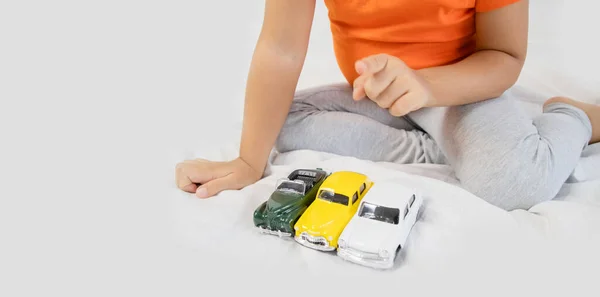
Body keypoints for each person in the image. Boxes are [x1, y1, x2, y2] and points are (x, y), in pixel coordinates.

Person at [175, 0, 600, 211]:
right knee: (278, 121)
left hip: (459, 90)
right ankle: (445, 148)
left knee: (518, 181)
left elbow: (504, 56)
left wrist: (427, 86)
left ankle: (572, 116)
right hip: (375, 95)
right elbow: (281, 50)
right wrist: (250, 160)